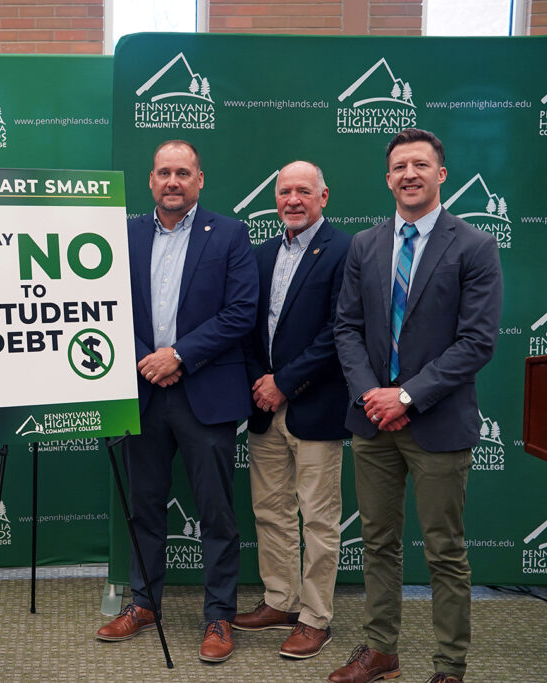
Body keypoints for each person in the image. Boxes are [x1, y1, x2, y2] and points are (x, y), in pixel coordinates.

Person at [329, 129, 502, 683]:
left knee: (444, 551)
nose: (409, 174)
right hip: (372, 424)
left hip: (438, 424)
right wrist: (372, 397)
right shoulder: (365, 245)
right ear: (387, 178)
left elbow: (477, 342)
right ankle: (381, 650)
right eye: (400, 165)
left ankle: (450, 665)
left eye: (421, 165)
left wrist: (405, 395)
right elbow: (347, 329)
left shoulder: (474, 246)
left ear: (440, 174)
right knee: (377, 543)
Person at [96, 140, 258, 663]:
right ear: (150, 180)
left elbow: (240, 314)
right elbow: (105, 304)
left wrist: (179, 357)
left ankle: (218, 616)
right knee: (144, 506)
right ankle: (143, 604)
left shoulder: (231, 235)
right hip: (141, 392)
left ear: (199, 180)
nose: (173, 181)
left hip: (204, 394)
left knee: (215, 512)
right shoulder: (123, 234)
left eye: (182, 173)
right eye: (164, 172)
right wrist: (149, 359)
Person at [234, 161, 351, 660]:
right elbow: (247, 326)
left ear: (324, 195)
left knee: (318, 519)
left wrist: (284, 382)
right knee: (271, 510)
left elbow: (339, 330)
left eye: (304, 191)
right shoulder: (260, 255)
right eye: (285, 192)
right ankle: (281, 601)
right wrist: (264, 385)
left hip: (316, 406)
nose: (293, 199)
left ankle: (315, 617)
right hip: (264, 407)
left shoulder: (346, 250)